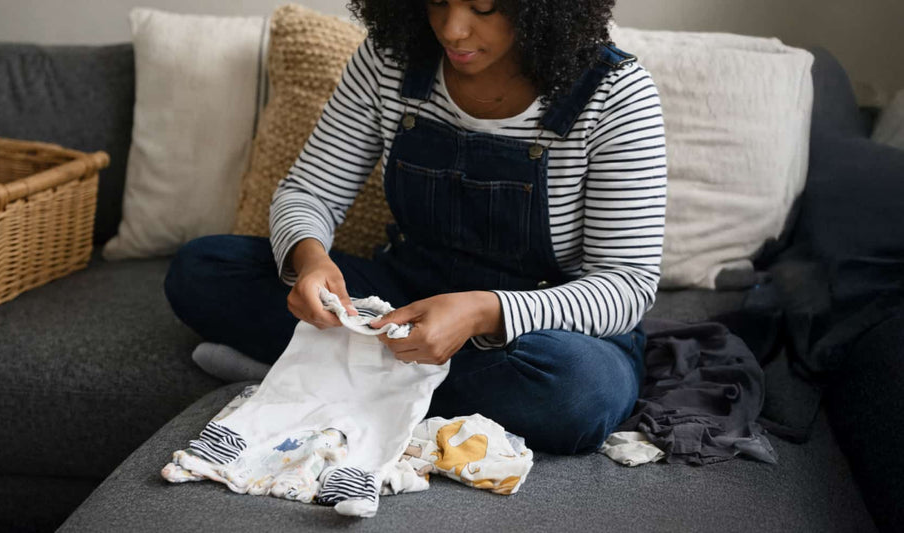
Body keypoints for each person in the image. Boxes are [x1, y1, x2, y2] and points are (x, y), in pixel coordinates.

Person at [166, 0, 667, 455]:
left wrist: (479, 311)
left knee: (577, 393)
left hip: (536, 326)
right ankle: (373, 378)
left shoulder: (616, 94)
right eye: (435, 2)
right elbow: (310, 191)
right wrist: (310, 260)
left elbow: (627, 284)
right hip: (402, 299)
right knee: (202, 269)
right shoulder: (390, 58)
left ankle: (325, 371)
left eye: (484, 7)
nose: (452, 29)